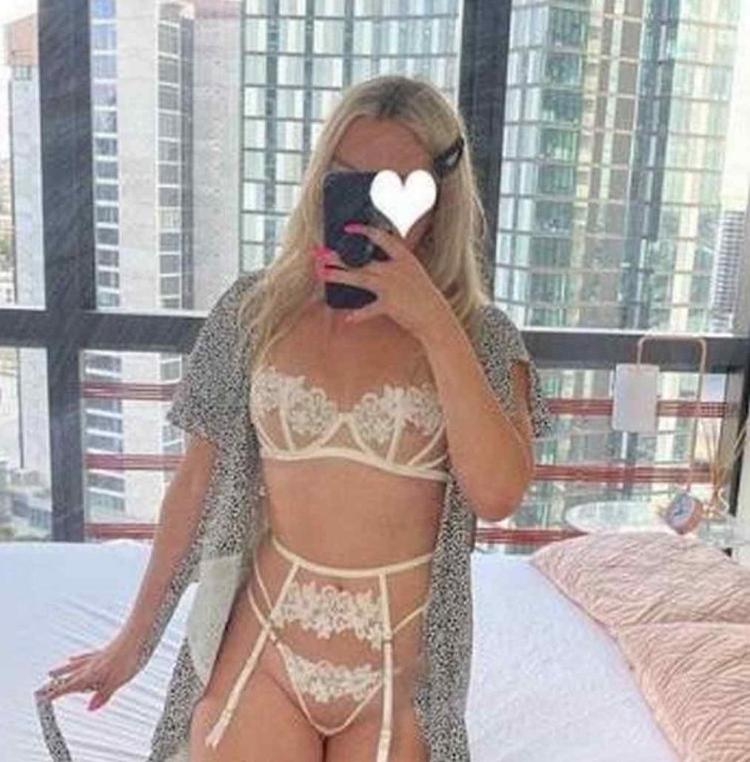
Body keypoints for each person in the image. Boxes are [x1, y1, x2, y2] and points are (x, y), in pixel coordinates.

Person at [34, 74, 554, 762]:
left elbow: (498, 494)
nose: (371, 208)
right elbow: (195, 484)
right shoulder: (254, 310)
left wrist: (434, 323)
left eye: (397, 186)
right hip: (266, 643)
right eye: (349, 179)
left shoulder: (481, 337)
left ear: (440, 197)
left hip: (399, 668)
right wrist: (135, 639)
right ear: (321, 182)